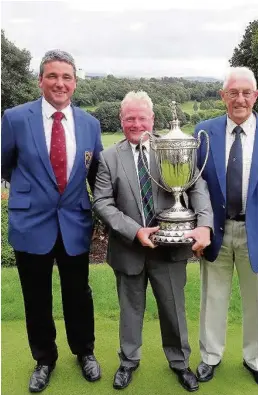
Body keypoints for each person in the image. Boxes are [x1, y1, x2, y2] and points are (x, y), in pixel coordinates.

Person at [93, 91, 213, 392]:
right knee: (130, 310)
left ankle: (179, 363)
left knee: (174, 309)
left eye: (141, 117)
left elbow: (196, 186)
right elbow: (103, 203)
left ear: (152, 119)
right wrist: (135, 231)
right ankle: (128, 362)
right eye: (129, 118)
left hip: (171, 249)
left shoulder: (171, 146)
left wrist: (205, 225)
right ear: (121, 120)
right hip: (129, 247)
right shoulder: (108, 157)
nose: (136, 124)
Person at [1, 50, 103, 393]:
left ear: (74, 82)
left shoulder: (90, 124)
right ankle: (44, 359)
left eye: (67, 77)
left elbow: (94, 174)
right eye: (53, 76)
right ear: (41, 80)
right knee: (36, 296)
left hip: (74, 222)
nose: (60, 83)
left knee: (78, 293)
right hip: (31, 224)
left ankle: (84, 351)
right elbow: (5, 165)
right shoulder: (15, 119)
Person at [194, 67, 258, 391]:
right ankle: (210, 356)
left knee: (257, 302)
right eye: (233, 92)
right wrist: (199, 228)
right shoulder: (204, 133)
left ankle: (256, 361)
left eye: (246, 92)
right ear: (222, 96)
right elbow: (195, 187)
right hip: (217, 233)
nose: (240, 98)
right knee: (213, 298)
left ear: (256, 96)